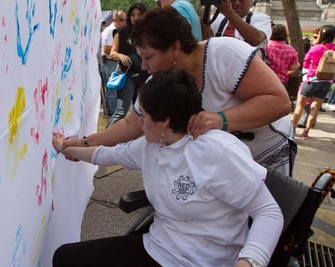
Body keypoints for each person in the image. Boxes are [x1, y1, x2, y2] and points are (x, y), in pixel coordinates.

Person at [52, 69, 283, 267]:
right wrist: (67, 148)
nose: (138, 122)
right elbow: (106, 154)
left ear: (165, 121)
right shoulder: (153, 144)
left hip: (201, 265)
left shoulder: (218, 151)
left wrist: (248, 264)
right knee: (66, 259)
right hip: (157, 247)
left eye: (143, 115)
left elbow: (269, 212)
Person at [64, 7, 295, 176]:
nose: (144, 67)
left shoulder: (224, 53)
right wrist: (83, 143)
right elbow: (132, 123)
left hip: (265, 155)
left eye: (148, 58)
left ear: (174, 47)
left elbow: (279, 102)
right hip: (225, 165)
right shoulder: (161, 78)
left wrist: (220, 119)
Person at [106, 3, 148, 127]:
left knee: (141, 112)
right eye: (133, 15)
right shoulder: (121, 32)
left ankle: (132, 142)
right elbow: (112, 53)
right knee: (121, 111)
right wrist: (121, 56)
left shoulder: (149, 33)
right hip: (127, 75)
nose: (136, 18)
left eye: (139, 15)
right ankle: (105, 138)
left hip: (144, 75)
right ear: (129, 17)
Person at [292, 25, 335, 139]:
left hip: (312, 79)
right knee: (315, 107)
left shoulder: (316, 48)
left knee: (300, 104)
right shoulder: (334, 48)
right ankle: (306, 131)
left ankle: (293, 127)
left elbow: (306, 62)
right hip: (327, 81)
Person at [202, 0, 272, 47]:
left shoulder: (260, 18)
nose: (237, 3)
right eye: (233, 0)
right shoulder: (217, 19)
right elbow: (205, 40)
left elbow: (256, 40)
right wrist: (207, 6)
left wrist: (229, 13)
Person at [100, 9, 126, 116]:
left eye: (125, 20)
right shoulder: (110, 31)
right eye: (121, 20)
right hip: (110, 62)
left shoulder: (114, 30)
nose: (123, 23)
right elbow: (106, 49)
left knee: (111, 90)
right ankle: (112, 114)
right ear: (114, 20)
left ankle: (110, 112)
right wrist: (120, 49)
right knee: (112, 90)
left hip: (111, 62)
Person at [265, 24, 300, 99]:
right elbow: (294, 66)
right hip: (281, 80)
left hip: (265, 77)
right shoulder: (290, 49)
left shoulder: (266, 46)